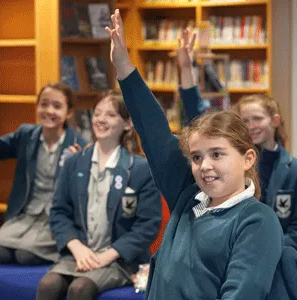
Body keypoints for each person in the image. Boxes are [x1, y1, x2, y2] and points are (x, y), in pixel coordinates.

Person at [105, 9, 283, 299]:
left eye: (217, 154)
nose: (205, 166)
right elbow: (154, 134)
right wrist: (124, 67)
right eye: (197, 157)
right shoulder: (188, 196)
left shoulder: (257, 221)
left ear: (248, 158)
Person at [36, 90, 161, 300]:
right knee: (48, 285)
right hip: (79, 254)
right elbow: (59, 212)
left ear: (128, 124)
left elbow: (147, 225)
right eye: (98, 113)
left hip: (117, 259)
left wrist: (107, 256)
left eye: (111, 115)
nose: (101, 119)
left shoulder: (140, 169)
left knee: (79, 289)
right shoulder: (74, 162)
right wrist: (76, 247)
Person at [0, 83, 88, 265]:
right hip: (25, 215)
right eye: (44, 104)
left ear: (69, 113)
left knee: (25, 256)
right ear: (37, 106)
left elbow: (83, 193)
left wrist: (76, 165)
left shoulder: (80, 144)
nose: (49, 111)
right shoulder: (26, 135)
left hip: (56, 219)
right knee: (0, 252)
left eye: (57, 106)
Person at [236, 94, 297, 250]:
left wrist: (271, 248)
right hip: (242, 250)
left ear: (275, 121)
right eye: (245, 121)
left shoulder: (293, 169)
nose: (251, 126)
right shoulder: (238, 164)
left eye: (257, 119)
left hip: (280, 256)